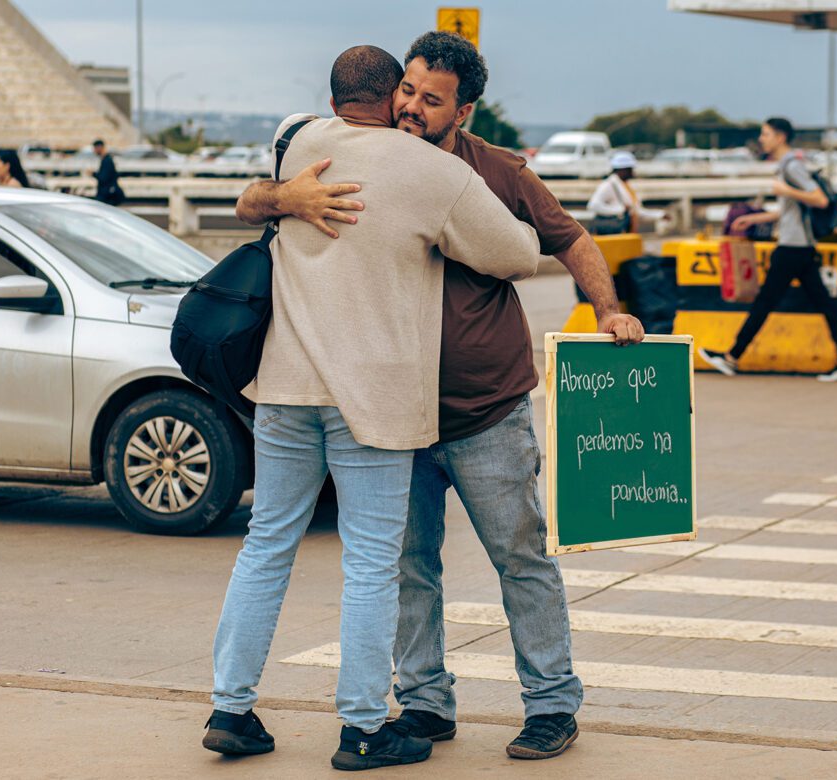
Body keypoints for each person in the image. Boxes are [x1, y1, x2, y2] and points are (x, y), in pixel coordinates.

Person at [235, 31, 643, 762]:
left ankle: (551, 703)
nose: (412, 108)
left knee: (520, 557)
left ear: (467, 112)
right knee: (404, 568)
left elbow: (565, 241)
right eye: (408, 91)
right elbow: (258, 193)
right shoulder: (354, 154)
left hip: (483, 408)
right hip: (392, 415)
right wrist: (283, 197)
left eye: (431, 99)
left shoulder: (495, 172)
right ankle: (423, 702)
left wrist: (610, 310)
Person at [205, 45, 543, 772]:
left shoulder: (299, 141)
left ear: (332, 101)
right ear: (395, 97)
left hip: (285, 388)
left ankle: (231, 710)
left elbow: (249, 199)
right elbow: (518, 253)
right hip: (375, 403)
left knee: (266, 546)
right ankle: (361, 728)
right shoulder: (437, 174)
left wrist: (284, 196)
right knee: (370, 564)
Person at [698, 117, 837, 383]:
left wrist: (785, 189)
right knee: (820, 304)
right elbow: (788, 212)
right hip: (798, 246)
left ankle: (732, 357)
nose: (762, 139)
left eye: (766, 134)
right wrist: (754, 219)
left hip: (793, 247)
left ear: (780, 137)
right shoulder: (789, 166)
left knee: (767, 303)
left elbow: (819, 199)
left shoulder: (792, 167)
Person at [587, 151, 666, 234]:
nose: (632, 172)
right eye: (630, 169)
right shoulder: (609, 185)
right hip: (613, 234)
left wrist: (659, 215)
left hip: (626, 232)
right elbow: (593, 205)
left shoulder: (626, 186)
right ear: (622, 170)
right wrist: (619, 209)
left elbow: (636, 211)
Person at [91, 139, 123, 205]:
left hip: (106, 194)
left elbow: (103, 178)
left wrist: (93, 174)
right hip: (106, 193)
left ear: (100, 147)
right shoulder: (106, 159)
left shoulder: (107, 160)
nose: (94, 151)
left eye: (95, 148)